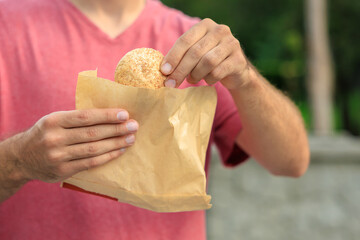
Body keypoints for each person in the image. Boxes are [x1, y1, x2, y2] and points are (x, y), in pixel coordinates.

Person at [0, 0, 309, 239]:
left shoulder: (197, 45)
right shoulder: (7, 25)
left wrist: (245, 79)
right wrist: (18, 159)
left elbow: (291, 160)